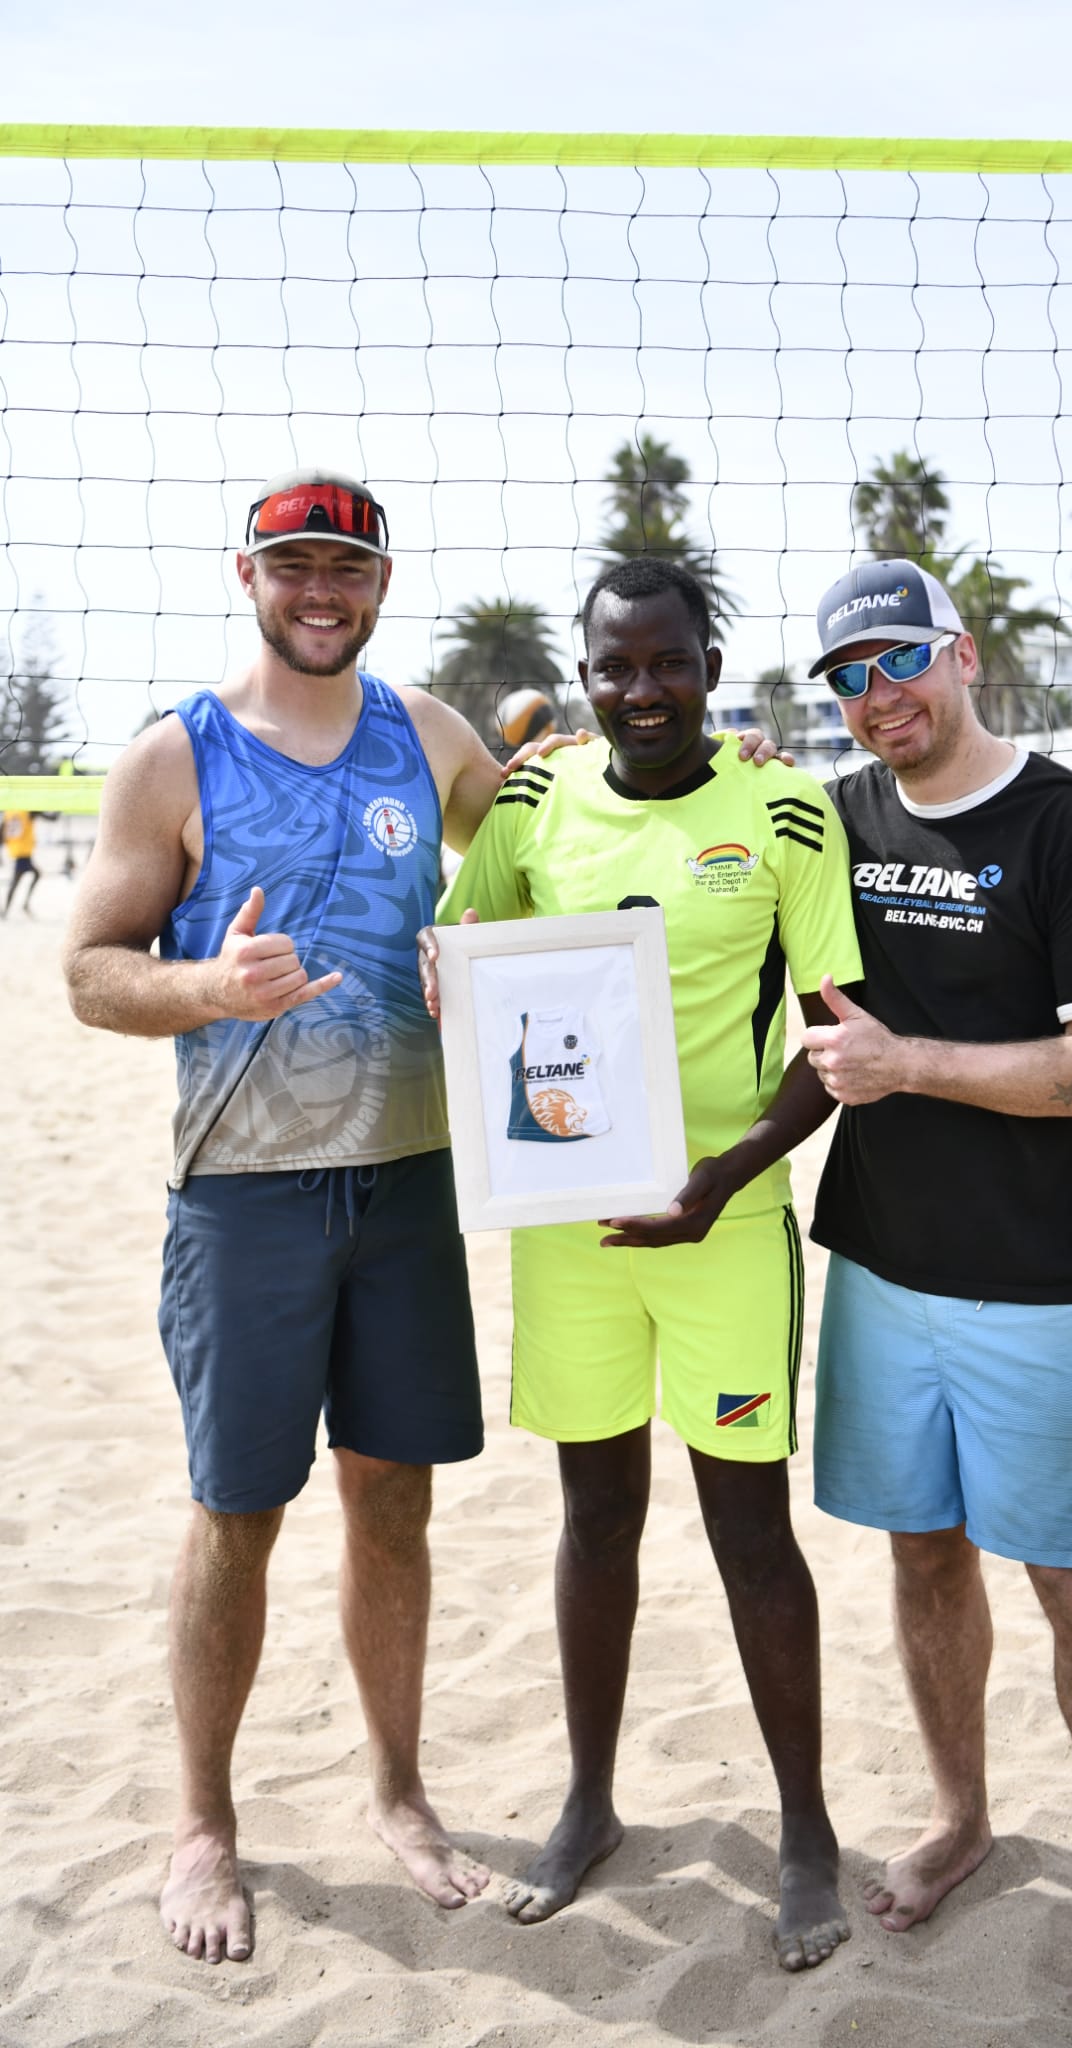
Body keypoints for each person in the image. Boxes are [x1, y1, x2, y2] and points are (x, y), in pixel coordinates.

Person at [61, 470, 509, 1967]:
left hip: (407, 1181)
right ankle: (204, 1825)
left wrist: (720, 759)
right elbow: (89, 972)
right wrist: (204, 986)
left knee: (394, 1499)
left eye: (348, 567)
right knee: (235, 1515)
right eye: (294, 565)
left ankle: (398, 1790)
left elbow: (560, 848)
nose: (322, 590)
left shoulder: (428, 737)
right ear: (246, 574)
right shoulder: (168, 762)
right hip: (241, 1197)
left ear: (383, 582)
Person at [418, 557, 865, 1972]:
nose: (641, 690)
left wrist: (724, 1176)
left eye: (667, 663)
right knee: (594, 1515)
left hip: (722, 1224)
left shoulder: (782, 810)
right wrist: (448, 974)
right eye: (615, 666)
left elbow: (833, 1039)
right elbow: (471, 946)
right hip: (572, 1233)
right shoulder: (538, 800)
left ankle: (804, 1832)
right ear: (587, 670)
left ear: (708, 667)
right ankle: (590, 1802)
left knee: (748, 1536)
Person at [798, 561, 1072, 2040]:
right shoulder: (832, 820)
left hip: (1040, 1283)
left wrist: (915, 1067)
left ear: (959, 652)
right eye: (846, 676)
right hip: (883, 1266)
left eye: (898, 662)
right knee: (921, 1555)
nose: (877, 696)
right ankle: (961, 1817)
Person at [2, 808, 41, 915]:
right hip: (23, 853)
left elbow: (1, 835)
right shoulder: (28, 811)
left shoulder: (8, 812)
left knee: (34, 875)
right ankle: (11, 908)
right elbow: (51, 818)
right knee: (16, 882)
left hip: (15, 852)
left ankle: (10, 908)